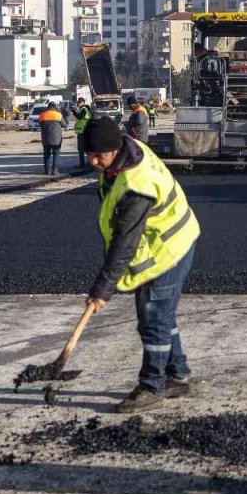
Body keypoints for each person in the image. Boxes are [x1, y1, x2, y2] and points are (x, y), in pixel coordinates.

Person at [82, 117, 201, 413]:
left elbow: (125, 242)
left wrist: (102, 290)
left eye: (100, 156)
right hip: (170, 240)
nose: (94, 162)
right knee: (161, 315)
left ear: (115, 149)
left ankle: (152, 386)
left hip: (168, 249)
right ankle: (178, 374)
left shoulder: (137, 185)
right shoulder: (124, 153)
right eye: (90, 155)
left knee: (152, 318)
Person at [38, 102, 64, 175]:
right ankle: (55, 171)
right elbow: (64, 124)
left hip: (45, 138)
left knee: (46, 154)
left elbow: (40, 124)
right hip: (56, 139)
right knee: (56, 154)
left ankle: (47, 171)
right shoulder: (58, 115)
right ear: (55, 107)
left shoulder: (42, 115)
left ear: (48, 107)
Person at [73, 97, 94, 168]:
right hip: (85, 131)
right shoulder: (85, 109)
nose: (77, 103)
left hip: (83, 132)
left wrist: (73, 111)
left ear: (83, 102)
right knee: (86, 148)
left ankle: (82, 164)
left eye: (79, 102)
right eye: (77, 102)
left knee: (81, 149)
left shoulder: (84, 109)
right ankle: (88, 163)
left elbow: (80, 117)